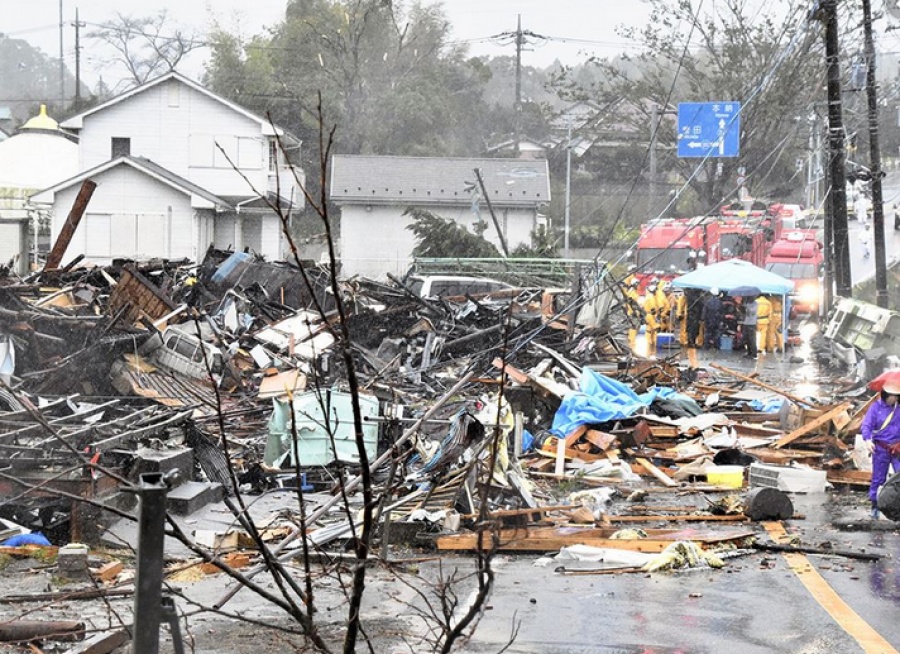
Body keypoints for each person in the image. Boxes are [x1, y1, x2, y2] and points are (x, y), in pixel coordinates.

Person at [860, 380, 900, 519]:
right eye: (892, 396)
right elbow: (867, 426)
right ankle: (875, 506)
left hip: (897, 450)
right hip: (881, 449)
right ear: (885, 395)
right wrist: (868, 440)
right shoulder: (875, 408)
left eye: (897, 396)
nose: (894, 398)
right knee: (878, 479)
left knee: (899, 477)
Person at [643, 281, 662, 355]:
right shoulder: (651, 297)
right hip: (650, 316)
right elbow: (653, 308)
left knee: (652, 333)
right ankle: (649, 352)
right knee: (651, 332)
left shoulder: (649, 296)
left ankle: (651, 352)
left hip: (650, 315)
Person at [742, 294, 759, 359]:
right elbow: (745, 313)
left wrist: (747, 308)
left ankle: (754, 353)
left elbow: (752, 312)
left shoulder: (755, 304)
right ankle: (749, 352)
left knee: (752, 339)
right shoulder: (747, 303)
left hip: (752, 323)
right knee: (747, 339)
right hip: (746, 322)